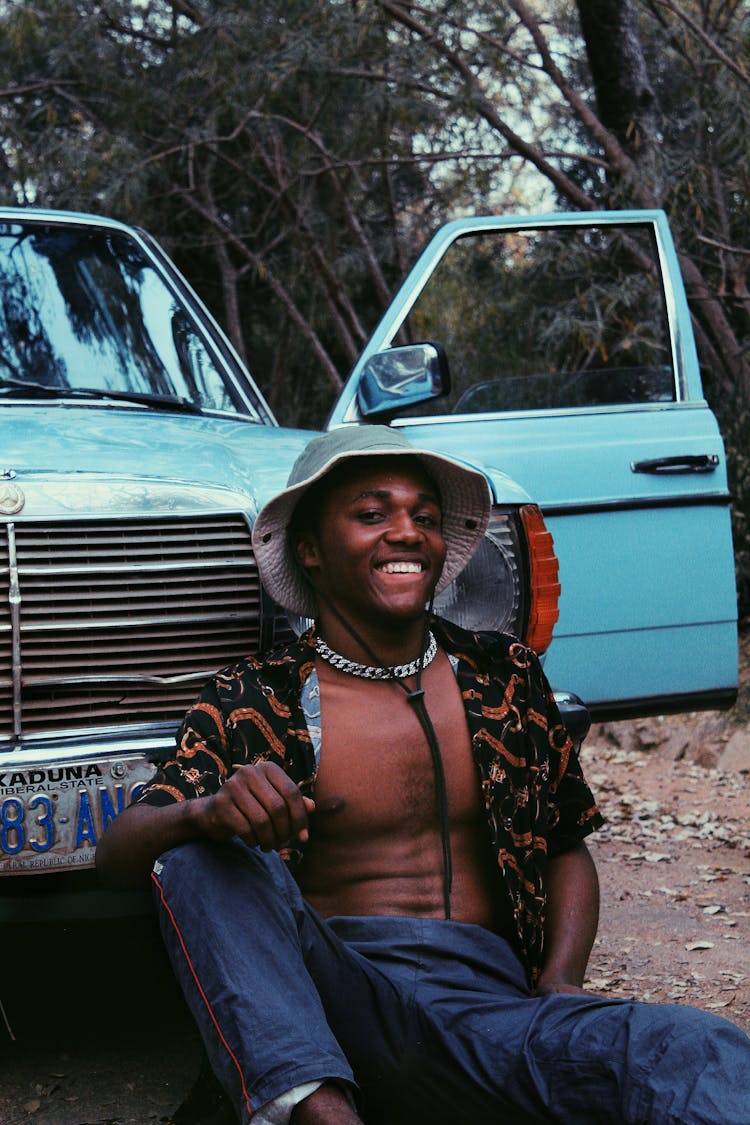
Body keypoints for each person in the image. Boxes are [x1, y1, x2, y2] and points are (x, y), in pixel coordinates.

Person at [97, 426, 750, 1125]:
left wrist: (560, 979)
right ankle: (322, 1114)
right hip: (338, 1015)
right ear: (311, 549)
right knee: (199, 857)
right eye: (372, 514)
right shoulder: (257, 700)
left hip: (496, 1022)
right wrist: (206, 813)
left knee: (698, 1047)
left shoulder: (504, 679)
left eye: (426, 517)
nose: (406, 532)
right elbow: (121, 851)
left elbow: (566, 843)